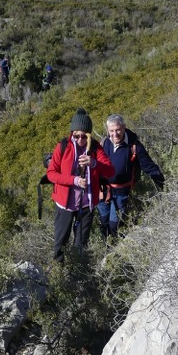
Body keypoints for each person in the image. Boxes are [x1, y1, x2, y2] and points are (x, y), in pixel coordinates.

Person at [46, 108, 114, 261]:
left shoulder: (96, 148)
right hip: (65, 204)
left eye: (85, 136)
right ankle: (60, 274)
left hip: (86, 205)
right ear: (72, 133)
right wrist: (74, 180)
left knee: (81, 244)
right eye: (76, 136)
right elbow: (51, 174)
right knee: (60, 243)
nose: (80, 140)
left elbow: (110, 171)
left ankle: (78, 275)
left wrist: (94, 163)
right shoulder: (63, 146)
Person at [97, 114, 164, 239]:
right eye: (111, 131)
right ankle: (107, 247)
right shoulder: (104, 143)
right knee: (104, 221)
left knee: (114, 224)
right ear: (108, 131)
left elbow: (149, 166)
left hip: (121, 192)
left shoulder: (134, 146)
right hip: (103, 191)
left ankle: (118, 243)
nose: (115, 134)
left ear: (123, 127)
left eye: (118, 130)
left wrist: (165, 186)